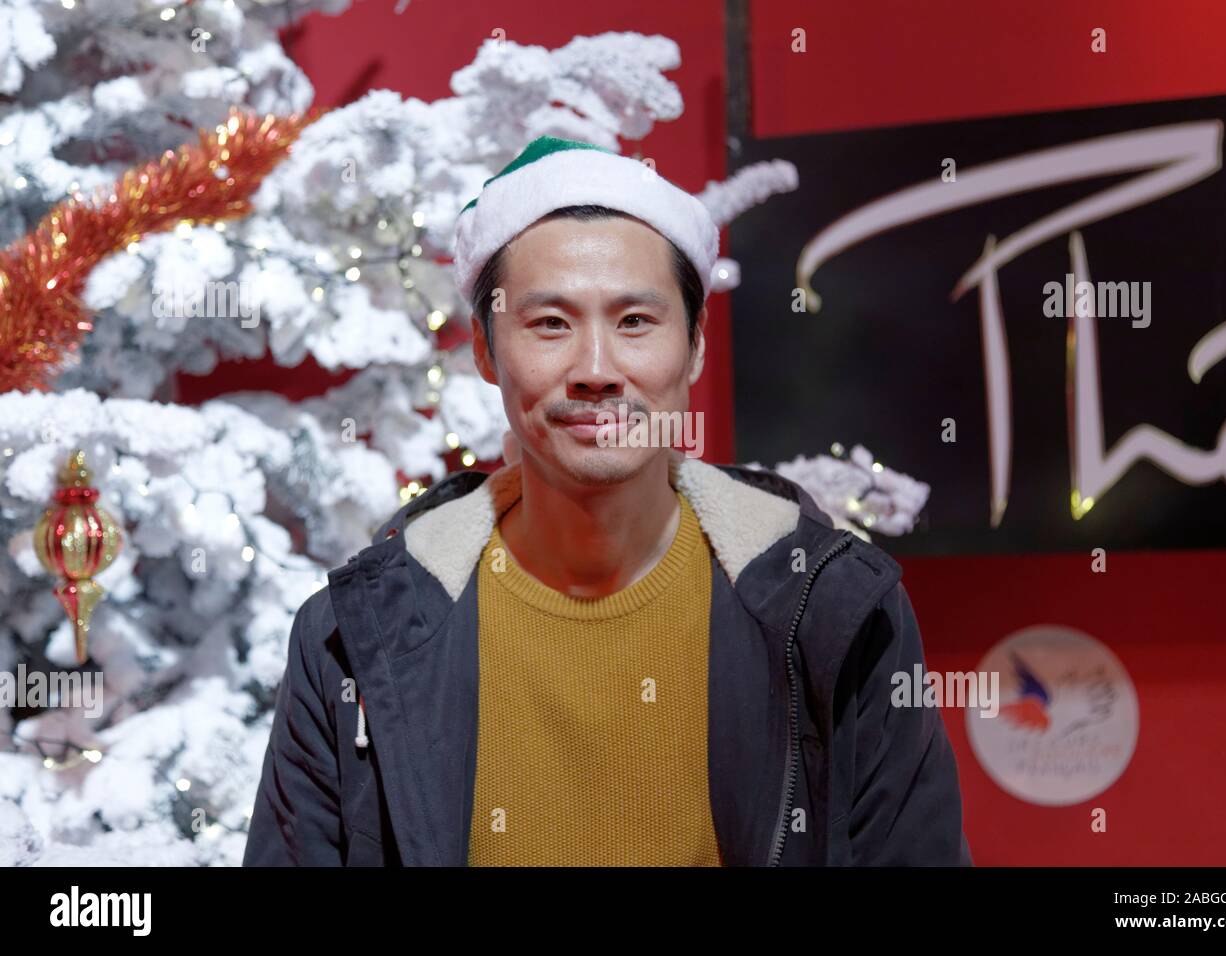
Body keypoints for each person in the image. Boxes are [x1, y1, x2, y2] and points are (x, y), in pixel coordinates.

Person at [243, 135, 972, 866]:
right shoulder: (352, 636)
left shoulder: (834, 611)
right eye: (550, 323)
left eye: (634, 322)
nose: (595, 370)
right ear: (487, 352)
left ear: (693, 346)